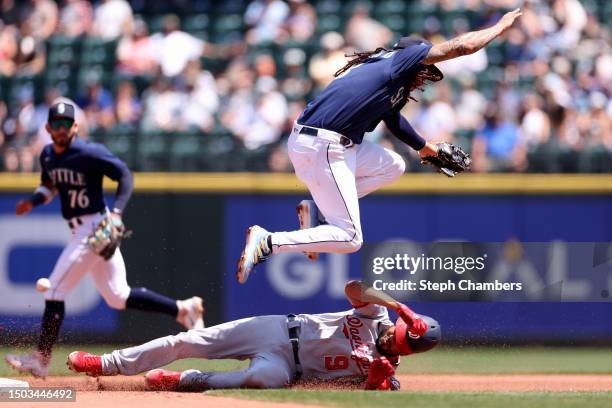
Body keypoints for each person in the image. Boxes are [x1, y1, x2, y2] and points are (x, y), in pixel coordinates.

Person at [236, 9, 523, 283]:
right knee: (350, 238)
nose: (426, 74)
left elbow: (394, 121)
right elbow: (461, 47)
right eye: (425, 67)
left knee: (394, 165)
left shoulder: (385, 78)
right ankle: (269, 241)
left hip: (323, 143)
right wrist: (499, 28)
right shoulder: (399, 59)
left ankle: (317, 211)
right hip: (324, 144)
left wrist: (424, 147)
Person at [5, 102, 204, 378]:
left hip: (95, 227)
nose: (62, 128)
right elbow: (49, 186)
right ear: (49, 128)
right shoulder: (49, 155)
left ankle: (41, 358)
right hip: (80, 229)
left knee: (54, 291)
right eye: (57, 123)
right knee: (117, 296)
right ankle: (184, 309)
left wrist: (118, 214)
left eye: (67, 123)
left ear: (75, 127)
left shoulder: (89, 153)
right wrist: (33, 201)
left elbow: (124, 175)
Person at [67, 280, 440, 391]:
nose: (394, 338)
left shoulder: (387, 373)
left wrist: (373, 384)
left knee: (257, 379)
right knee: (187, 342)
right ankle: (106, 363)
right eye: (400, 331)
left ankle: (184, 382)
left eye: (402, 342)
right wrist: (400, 306)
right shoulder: (377, 314)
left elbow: (373, 394)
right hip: (278, 327)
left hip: (284, 369)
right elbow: (355, 287)